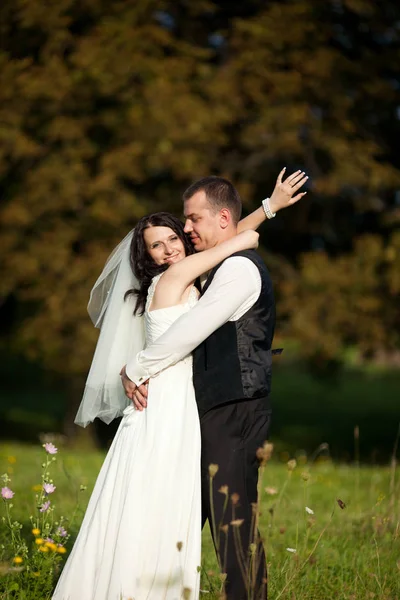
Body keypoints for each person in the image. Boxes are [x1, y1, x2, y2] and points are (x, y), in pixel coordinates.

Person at [53, 169, 307, 600]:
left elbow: (221, 251)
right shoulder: (183, 275)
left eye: (185, 228)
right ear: (147, 255)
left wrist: (268, 208)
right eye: (160, 243)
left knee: (223, 516)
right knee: (171, 507)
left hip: (224, 406)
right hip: (181, 404)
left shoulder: (225, 270)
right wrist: (135, 367)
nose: (181, 237)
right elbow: (226, 242)